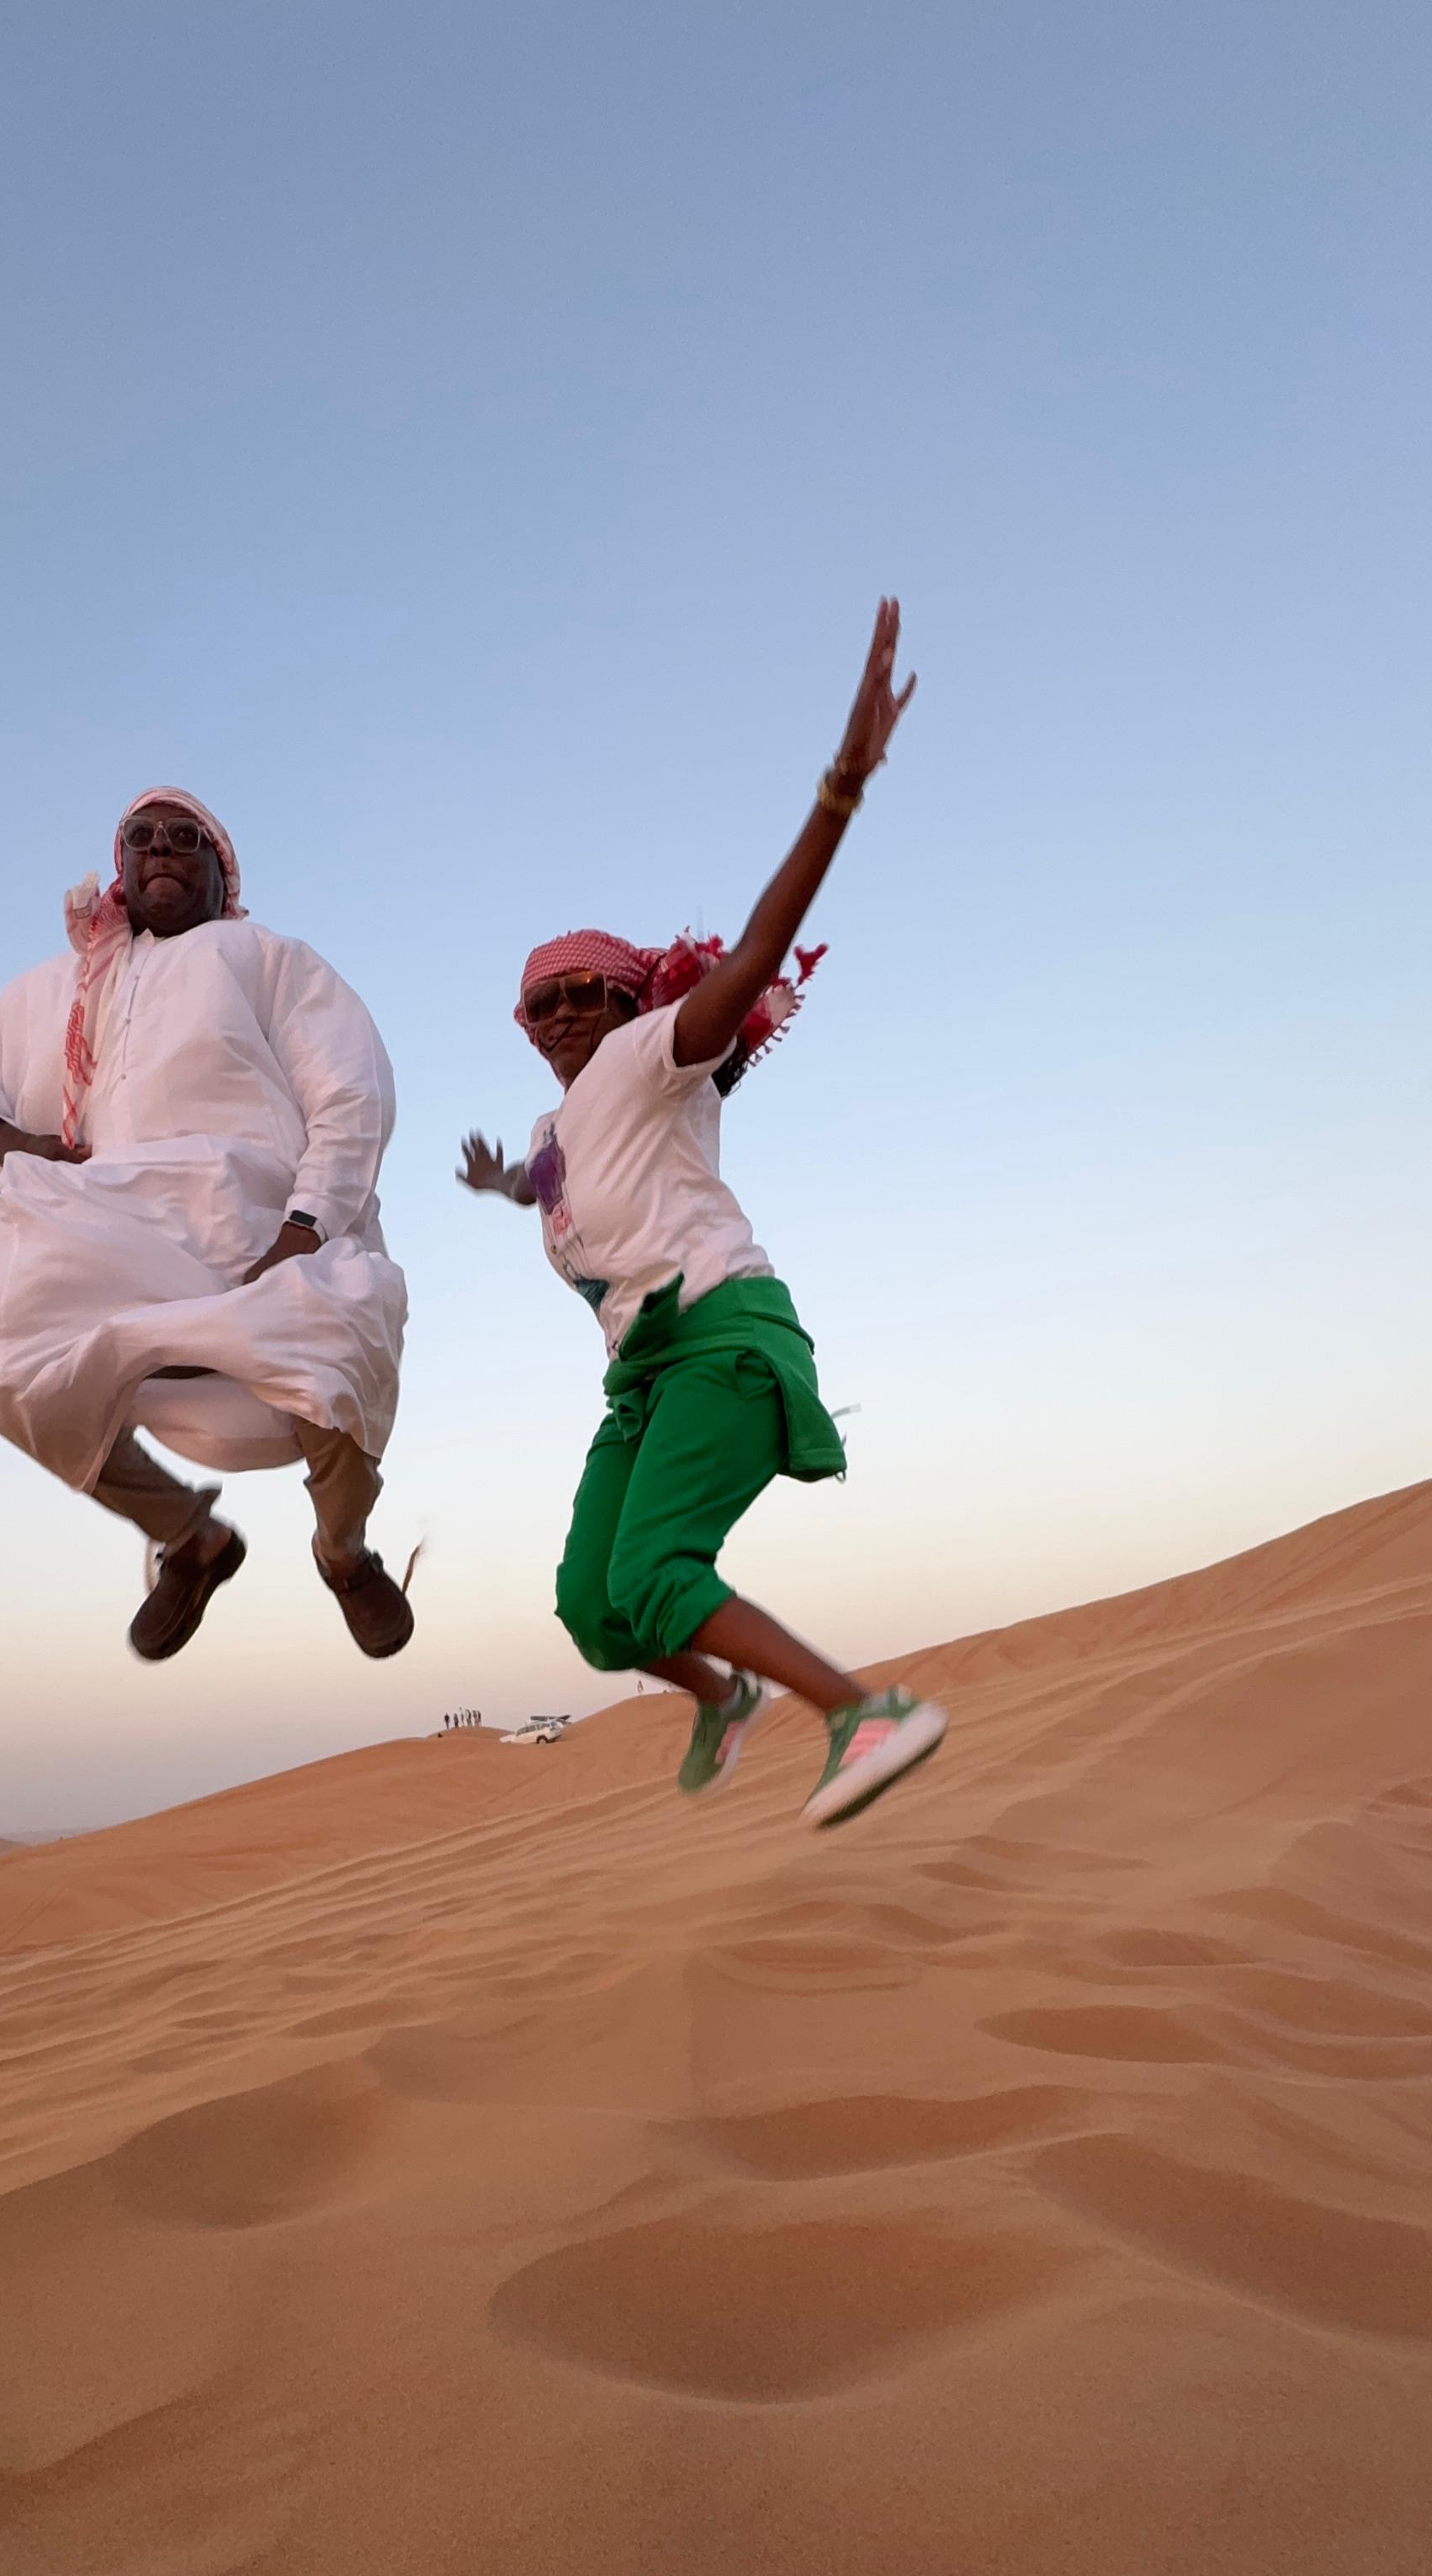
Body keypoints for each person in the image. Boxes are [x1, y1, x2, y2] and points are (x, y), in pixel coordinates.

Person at [456, 600, 945, 1830]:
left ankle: (866, 1713)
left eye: (582, 990)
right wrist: (505, 1186)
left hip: (723, 1336)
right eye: (537, 1003)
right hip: (641, 1378)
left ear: (630, 999)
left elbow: (760, 949)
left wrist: (840, 789)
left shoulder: (655, 1055)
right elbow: (563, 1190)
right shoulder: (555, 1130)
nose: (559, 1013)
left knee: (661, 1571)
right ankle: (725, 1698)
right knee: (596, 1607)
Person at [0, 789, 413, 1660]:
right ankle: (191, 1539)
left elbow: (353, 1091)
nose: (161, 847)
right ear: (120, 865)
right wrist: (17, 1143)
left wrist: (302, 1232)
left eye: (183, 836)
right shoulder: (62, 986)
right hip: (119, 1236)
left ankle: (343, 1552)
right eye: (141, 836)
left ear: (221, 872)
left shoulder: (264, 957)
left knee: (342, 1325)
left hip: (261, 1221)